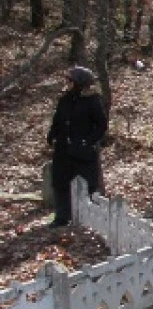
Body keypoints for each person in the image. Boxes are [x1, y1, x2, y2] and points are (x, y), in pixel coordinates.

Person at [47, 66, 108, 227]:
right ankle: (62, 217)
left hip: (83, 151)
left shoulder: (92, 101)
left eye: (70, 80)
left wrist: (86, 142)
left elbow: (101, 125)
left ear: (78, 82)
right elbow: (57, 121)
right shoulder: (64, 100)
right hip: (63, 150)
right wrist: (52, 136)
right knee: (60, 182)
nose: (66, 83)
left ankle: (92, 218)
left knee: (89, 184)